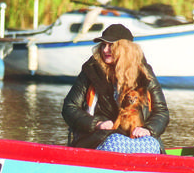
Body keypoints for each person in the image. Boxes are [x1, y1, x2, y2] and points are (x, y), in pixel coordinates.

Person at [62, 24, 170, 153]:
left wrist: (148, 129)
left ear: (125, 49)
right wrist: (96, 123)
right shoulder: (90, 70)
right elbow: (70, 107)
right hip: (100, 138)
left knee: (151, 145)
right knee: (116, 142)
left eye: (111, 46)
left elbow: (161, 111)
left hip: (138, 138)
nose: (105, 50)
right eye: (103, 45)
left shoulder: (145, 73)